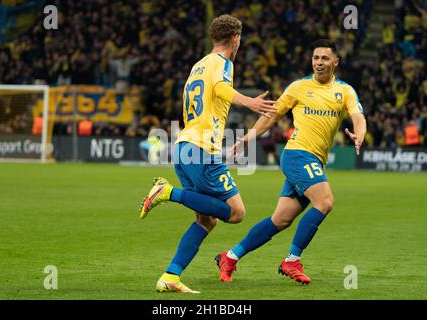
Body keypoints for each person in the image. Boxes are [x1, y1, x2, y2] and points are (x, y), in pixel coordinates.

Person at [138, 14, 276, 293]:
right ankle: (167, 193)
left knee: (206, 219)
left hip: (183, 146)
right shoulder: (223, 63)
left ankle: (170, 276)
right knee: (236, 212)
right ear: (235, 38)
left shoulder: (198, 65)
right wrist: (249, 101)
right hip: (202, 149)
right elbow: (221, 89)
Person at [216, 39, 367, 285]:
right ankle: (291, 261)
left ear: (335, 62)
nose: (319, 63)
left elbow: (357, 116)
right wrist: (248, 137)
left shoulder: (345, 91)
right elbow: (272, 115)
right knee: (325, 201)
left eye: (325, 58)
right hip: (297, 155)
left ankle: (230, 257)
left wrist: (360, 133)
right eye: (315, 58)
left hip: (315, 161)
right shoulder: (298, 87)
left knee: (281, 219)